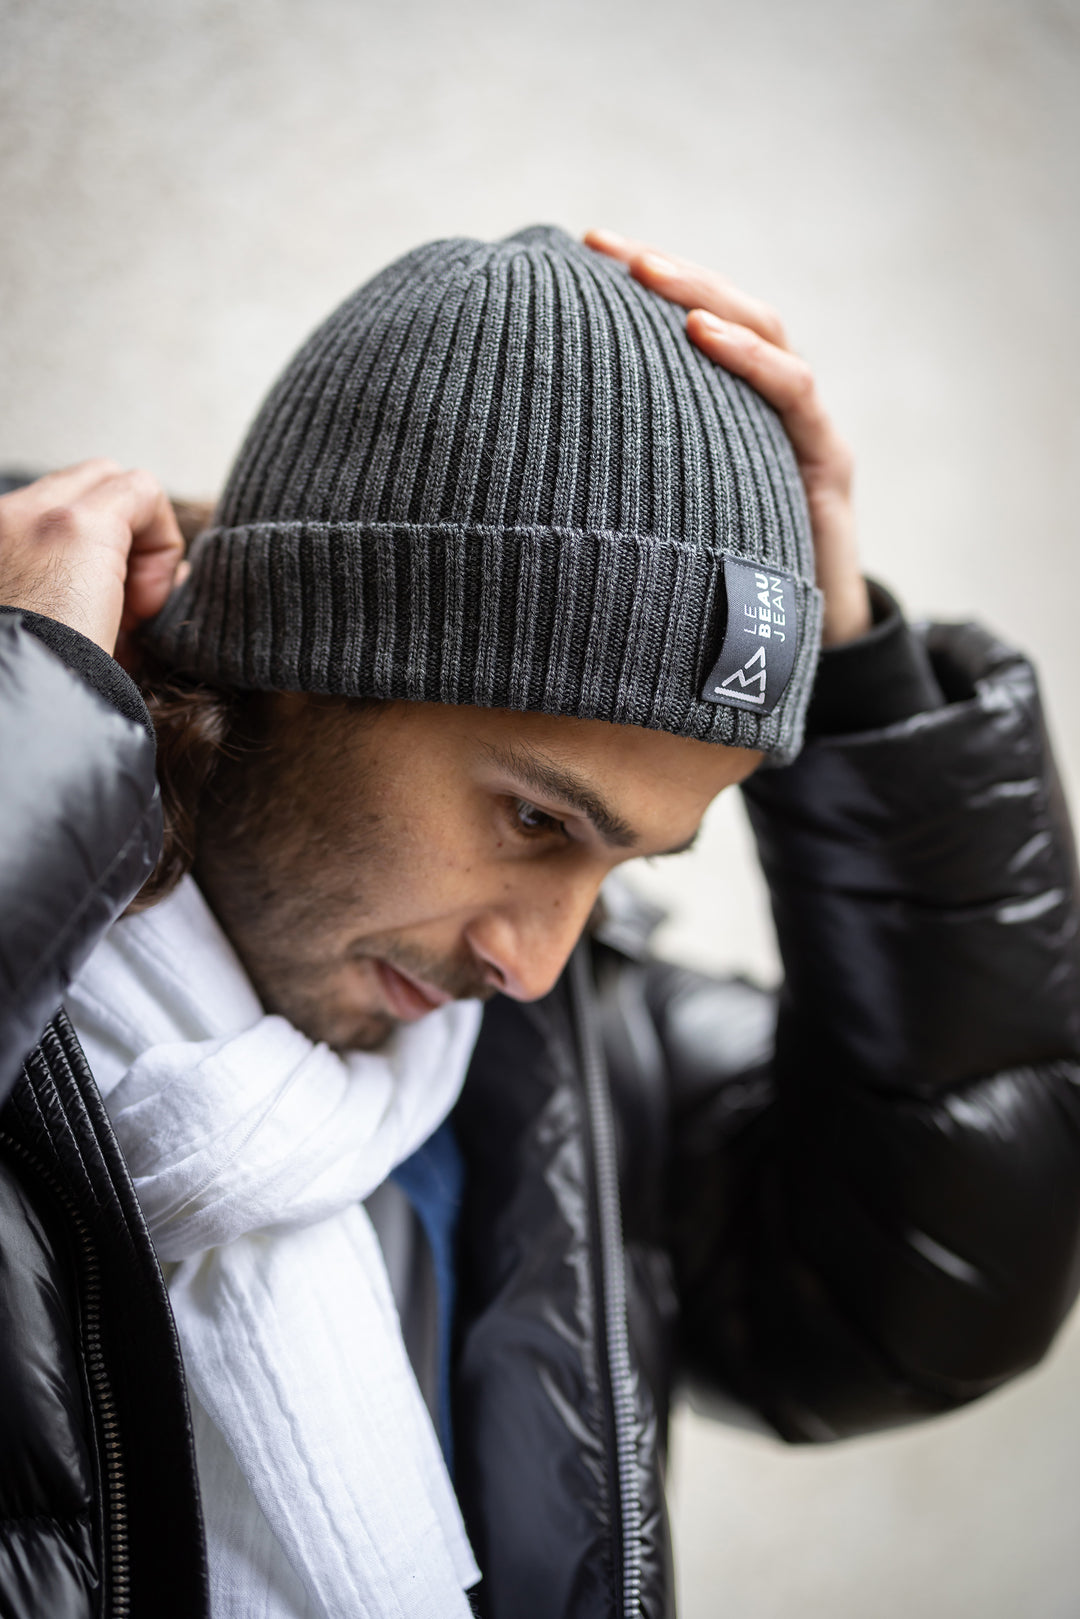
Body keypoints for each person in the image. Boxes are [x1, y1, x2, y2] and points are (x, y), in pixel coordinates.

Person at [1, 224, 1078, 1619]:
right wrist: (25, 738)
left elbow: (910, 1308)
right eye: (534, 821)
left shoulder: (568, 1053)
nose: (533, 960)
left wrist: (863, 674)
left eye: (621, 865)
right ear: (295, 662)